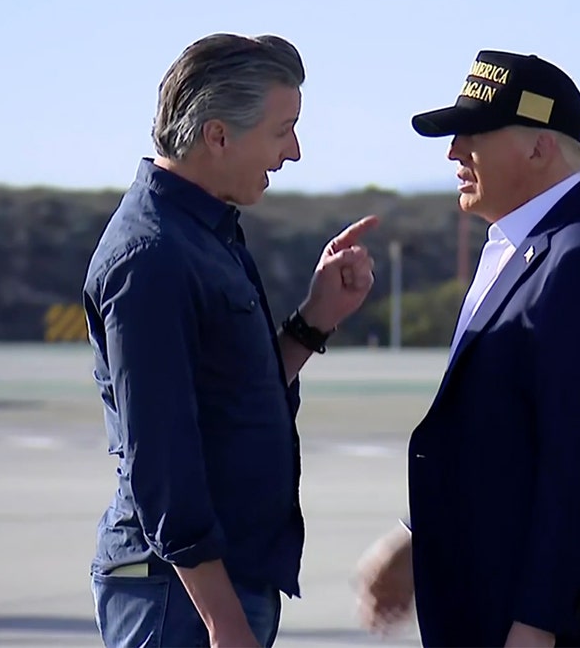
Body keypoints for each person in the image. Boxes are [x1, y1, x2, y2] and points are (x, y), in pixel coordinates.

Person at [354, 49, 580, 647]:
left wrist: (538, 622)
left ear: (539, 147)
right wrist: (416, 536)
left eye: (474, 134)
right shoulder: (530, 244)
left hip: (568, 622)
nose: (454, 152)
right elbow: (500, 438)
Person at [83, 33, 378, 648]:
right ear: (218, 136)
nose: (293, 151)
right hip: (180, 597)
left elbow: (231, 400)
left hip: (211, 587)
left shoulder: (202, 234)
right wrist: (223, 621)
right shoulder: (153, 258)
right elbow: (161, 459)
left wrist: (314, 320)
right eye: (282, 131)